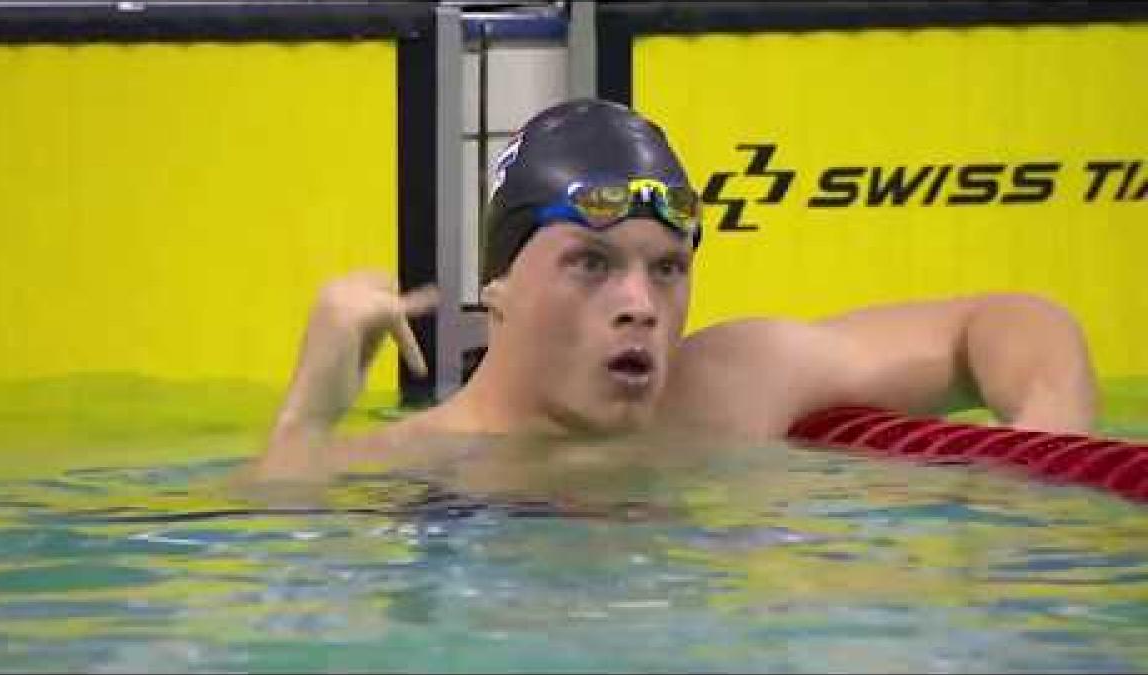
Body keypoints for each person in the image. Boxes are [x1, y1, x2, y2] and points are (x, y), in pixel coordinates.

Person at [248, 99, 1097, 482]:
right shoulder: (417, 469)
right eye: (591, 263)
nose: (640, 304)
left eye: (667, 267)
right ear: (497, 289)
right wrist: (306, 417)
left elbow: (1010, 321)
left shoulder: (731, 383)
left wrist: (1046, 463)